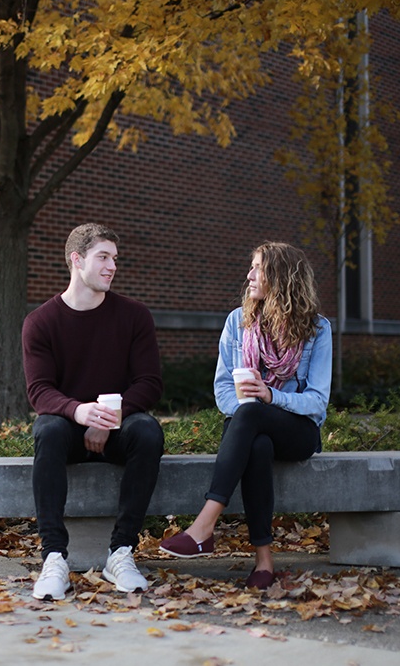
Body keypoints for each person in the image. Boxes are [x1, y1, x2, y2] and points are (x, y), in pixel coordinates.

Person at [159, 241, 332, 589]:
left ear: (281, 277)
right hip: (250, 428)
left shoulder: (316, 329)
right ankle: (264, 563)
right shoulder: (238, 322)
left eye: (258, 268)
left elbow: (316, 401)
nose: (249, 275)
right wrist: (250, 412)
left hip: (297, 431)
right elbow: (224, 390)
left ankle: (204, 525)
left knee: (253, 414)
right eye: (251, 267)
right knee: (256, 445)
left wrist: (271, 396)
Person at [22, 223, 165, 600]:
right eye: (103, 257)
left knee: (148, 432)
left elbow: (149, 383)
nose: (112, 266)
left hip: (120, 426)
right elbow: (39, 391)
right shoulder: (40, 322)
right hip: (67, 427)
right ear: (77, 259)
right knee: (47, 430)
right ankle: (54, 558)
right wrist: (78, 412)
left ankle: (121, 552)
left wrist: (106, 416)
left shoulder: (134, 316)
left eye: (114, 258)